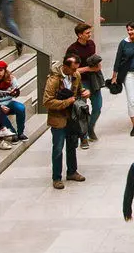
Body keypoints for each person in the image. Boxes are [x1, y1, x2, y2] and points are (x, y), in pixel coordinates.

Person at [42, 60, 84, 190]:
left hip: (72, 117)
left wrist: (83, 93)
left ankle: (72, 171)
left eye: (76, 69)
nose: (74, 72)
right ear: (65, 67)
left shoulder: (76, 76)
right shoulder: (53, 80)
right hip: (58, 118)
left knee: (72, 145)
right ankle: (57, 177)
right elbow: (47, 102)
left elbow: (78, 93)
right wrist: (66, 102)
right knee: (58, 148)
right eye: (72, 69)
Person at [64, 22, 103, 146]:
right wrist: (89, 69)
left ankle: (90, 128)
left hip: (94, 80)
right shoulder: (72, 49)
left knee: (97, 106)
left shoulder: (91, 44)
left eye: (90, 32)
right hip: (81, 81)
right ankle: (84, 136)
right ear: (79, 35)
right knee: (82, 109)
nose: (90, 35)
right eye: (87, 33)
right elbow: (70, 69)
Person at [0, 59, 26, 146]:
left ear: (4, 70)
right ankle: (13, 134)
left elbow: (17, 93)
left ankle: (20, 132)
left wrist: (15, 92)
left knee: (21, 108)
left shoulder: (11, 79)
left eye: (1, 70)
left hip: (10, 102)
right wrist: (0, 107)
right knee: (1, 113)